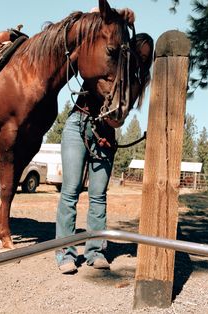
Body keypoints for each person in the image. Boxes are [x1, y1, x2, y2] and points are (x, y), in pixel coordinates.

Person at [55, 32, 154, 274]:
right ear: (128, 49)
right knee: (70, 191)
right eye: (138, 52)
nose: (141, 58)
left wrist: (113, 123)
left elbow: (119, 120)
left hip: (105, 136)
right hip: (78, 124)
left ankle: (95, 251)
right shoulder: (106, 62)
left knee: (98, 195)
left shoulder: (138, 82)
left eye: (146, 56)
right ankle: (65, 254)